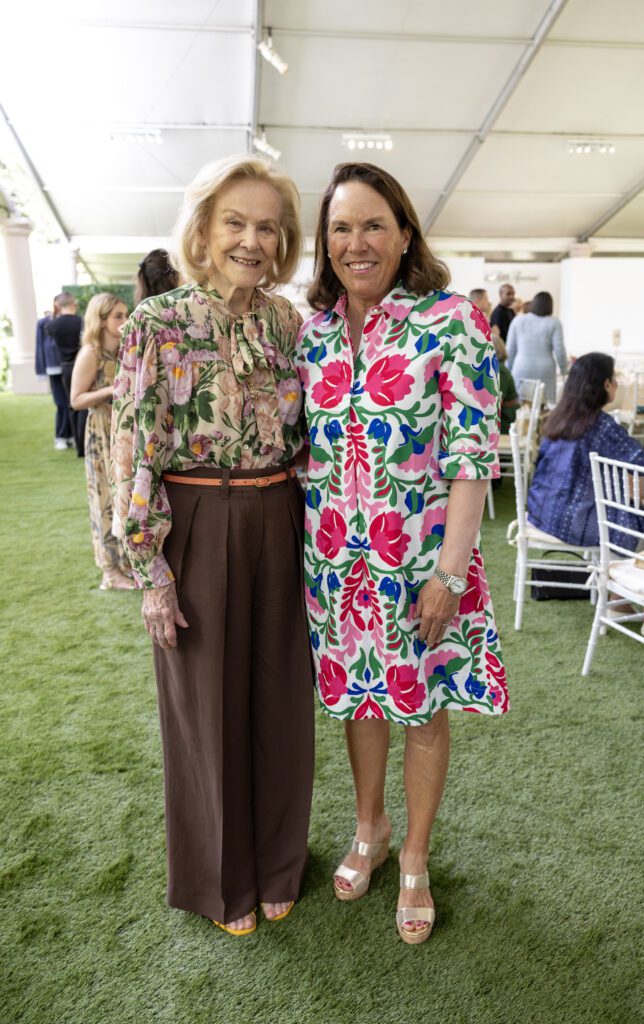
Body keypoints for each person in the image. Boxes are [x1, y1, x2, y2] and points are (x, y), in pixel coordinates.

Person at [298, 162, 507, 946]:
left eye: (374, 225)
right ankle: (370, 828)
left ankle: (414, 855)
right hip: (334, 566)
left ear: (405, 232)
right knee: (358, 701)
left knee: (421, 706)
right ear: (324, 244)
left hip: (423, 562)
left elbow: (470, 458)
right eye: (342, 228)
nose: (358, 243)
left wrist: (449, 572)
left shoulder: (452, 321)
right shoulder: (311, 333)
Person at [111, 155, 313, 937]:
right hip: (195, 523)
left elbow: (305, 438)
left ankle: (277, 864)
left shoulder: (286, 322)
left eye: (267, 226)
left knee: (280, 703)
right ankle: (220, 880)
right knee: (205, 710)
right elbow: (133, 448)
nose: (252, 240)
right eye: (236, 221)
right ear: (202, 229)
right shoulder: (155, 324)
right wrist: (151, 570)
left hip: (280, 517)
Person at [527, 353, 644, 548]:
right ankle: (619, 574)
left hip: (540, 510)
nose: (617, 383)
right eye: (614, 379)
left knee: (632, 502)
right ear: (606, 384)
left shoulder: (559, 417)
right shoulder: (600, 425)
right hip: (570, 520)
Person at [70, 293, 134, 590]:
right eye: (117, 316)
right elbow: (76, 400)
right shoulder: (90, 353)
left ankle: (127, 563)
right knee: (103, 498)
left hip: (124, 430)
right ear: (102, 319)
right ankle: (110, 570)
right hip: (100, 432)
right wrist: (110, 390)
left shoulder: (125, 349)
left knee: (125, 496)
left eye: (125, 314)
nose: (123, 320)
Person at [507, 290, 567, 403]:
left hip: (521, 368)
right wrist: (564, 370)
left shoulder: (518, 320)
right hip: (545, 370)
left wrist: (508, 370)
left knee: (520, 406)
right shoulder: (554, 322)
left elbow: (510, 349)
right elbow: (560, 350)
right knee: (545, 406)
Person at [45, 292, 87, 455]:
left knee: (72, 404)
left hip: (65, 367)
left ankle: (77, 445)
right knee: (83, 404)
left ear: (58, 305)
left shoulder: (52, 325)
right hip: (81, 364)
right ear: (73, 303)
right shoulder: (81, 321)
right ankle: (83, 446)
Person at [35, 307, 72, 449]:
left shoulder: (70, 321)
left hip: (69, 366)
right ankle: (61, 436)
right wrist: (41, 369)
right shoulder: (44, 323)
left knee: (70, 402)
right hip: (54, 367)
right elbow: (40, 345)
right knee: (61, 403)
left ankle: (71, 435)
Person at [491, 330, 520, 435]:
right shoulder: (497, 368)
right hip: (501, 416)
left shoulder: (500, 371)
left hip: (505, 420)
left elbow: (496, 403)